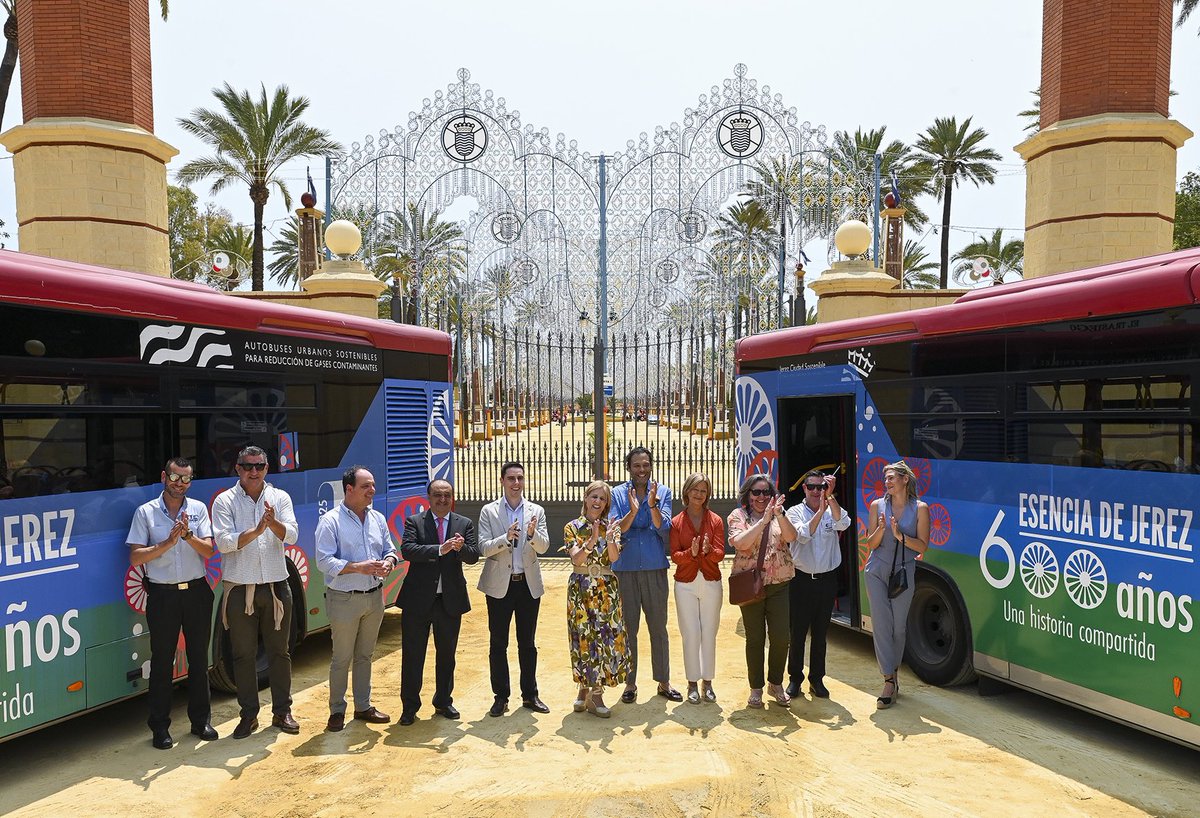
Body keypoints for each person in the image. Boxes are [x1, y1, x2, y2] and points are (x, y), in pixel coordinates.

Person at [127, 457, 217, 749]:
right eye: (175, 478)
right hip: (162, 594)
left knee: (199, 660)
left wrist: (188, 535)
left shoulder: (199, 509)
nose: (180, 484)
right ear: (164, 476)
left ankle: (201, 721)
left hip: (196, 591)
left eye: (186, 479)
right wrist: (167, 543)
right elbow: (136, 557)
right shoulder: (146, 512)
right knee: (162, 662)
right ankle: (160, 728)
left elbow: (209, 551)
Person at [213, 445, 300, 739]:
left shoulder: (280, 498)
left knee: (280, 652)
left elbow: (292, 534)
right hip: (239, 588)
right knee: (243, 655)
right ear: (237, 469)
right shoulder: (225, 501)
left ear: (267, 468)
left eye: (259, 466)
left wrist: (271, 522)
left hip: (276, 585)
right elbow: (224, 543)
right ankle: (248, 714)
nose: (254, 471)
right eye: (248, 466)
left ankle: (282, 711)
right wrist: (257, 530)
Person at [314, 466, 396, 732]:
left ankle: (363, 706)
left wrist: (388, 563)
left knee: (365, 655)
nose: (372, 490)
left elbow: (390, 549)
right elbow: (323, 561)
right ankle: (337, 710)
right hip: (344, 599)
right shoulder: (330, 521)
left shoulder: (377, 519)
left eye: (372, 485)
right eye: (366, 486)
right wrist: (357, 567)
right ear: (349, 490)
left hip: (374, 598)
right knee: (342, 658)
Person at [398, 478, 480, 725]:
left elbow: (474, 556)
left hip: (450, 600)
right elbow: (408, 550)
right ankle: (409, 707)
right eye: (437, 495)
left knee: (447, 655)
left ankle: (443, 701)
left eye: (447, 495)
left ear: (452, 497)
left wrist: (461, 548)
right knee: (413, 655)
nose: (442, 500)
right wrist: (439, 549)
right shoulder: (415, 522)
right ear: (429, 498)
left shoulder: (463, 523)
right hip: (418, 600)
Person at [477, 461, 551, 717]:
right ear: (502, 481)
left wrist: (531, 535)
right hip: (499, 586)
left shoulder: (536, 511)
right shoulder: (489, 511)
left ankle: (530, 695)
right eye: (511, 478)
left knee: (527, 643)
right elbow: (484, 548)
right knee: (498, 643)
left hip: (527, 585)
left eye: (520, 478)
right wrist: (505, 538)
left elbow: (544, 547)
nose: (516, 483)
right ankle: (501, 697)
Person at [610, 446, 678, 703]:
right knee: (629, 627)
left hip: (654, 566)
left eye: (646, 465)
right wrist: (633, 509)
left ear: (651, 466)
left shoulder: (663, 492)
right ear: (629, 467)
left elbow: (664, 527)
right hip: (625, 568)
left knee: (658, 627)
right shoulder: (617, 493)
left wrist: (651, 505)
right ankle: (630, 683)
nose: (641, 470)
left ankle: (663, 681)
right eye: (637, 465)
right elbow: (619, 529)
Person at [727, 473, 798, 709]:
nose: (761, 496)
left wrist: (777, 515)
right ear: (747, 495)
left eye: (766, 492)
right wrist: (763, 520)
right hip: (751, 584)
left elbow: (791, 537)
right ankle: (756, 687)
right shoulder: (738, 516)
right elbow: (741, 543)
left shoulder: (779, 515)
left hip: (779, 583)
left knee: (781, 637)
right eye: (756, 492)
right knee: (755, 638)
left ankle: (775, 683)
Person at [863, 460, 930, 709]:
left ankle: (894, 674)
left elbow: (923, 546)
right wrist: (881, 529)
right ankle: (888, 681)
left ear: (904, 480)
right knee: (881, 625)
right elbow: (870, 544)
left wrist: (901, 536)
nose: (887, 482)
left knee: (898, 629)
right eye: (886, 478)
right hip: (876, 570)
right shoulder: (877, 506)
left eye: (892, 478)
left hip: (903, 572)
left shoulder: (920, 508)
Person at [565, 480, 631, 718]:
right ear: (585, 498)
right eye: (594, 496)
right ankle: (584, 689)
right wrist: (592, 540)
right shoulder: (572, 527)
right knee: (583, 637)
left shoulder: (611, 527)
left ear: (606, 504)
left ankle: (596, 694)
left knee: (604, 639)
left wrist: (611, 537)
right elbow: (577, 560)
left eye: (602, 499)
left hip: (605, 589)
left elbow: (613, 557)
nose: (597, 502)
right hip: (581, 589)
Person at [785, 469, 849, 699]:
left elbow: (844, 523)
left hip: (826, 580)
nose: (816, 491)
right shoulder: (794, 512)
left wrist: (830, 500)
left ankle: (817, 679)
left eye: (820, 487)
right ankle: (794, 679)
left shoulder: (832, 508)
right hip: (801, 580)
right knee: (798, 633)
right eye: (811, 487)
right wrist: (820, 512)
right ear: (804, 488)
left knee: (821, 634)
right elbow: (802, 535)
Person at [669, 472, 725, 704]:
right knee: (690, 633)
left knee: (709, 633)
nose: (699, 495)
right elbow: (674, 556)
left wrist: (708, 551)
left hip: (711, 581)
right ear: (687, 492)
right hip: (685, 584)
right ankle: (692, 682)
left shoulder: (716, 521)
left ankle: (707, 682)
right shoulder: (676, 522)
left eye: (703, 491)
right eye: (695, 490)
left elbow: (721, 554)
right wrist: (691, 554)